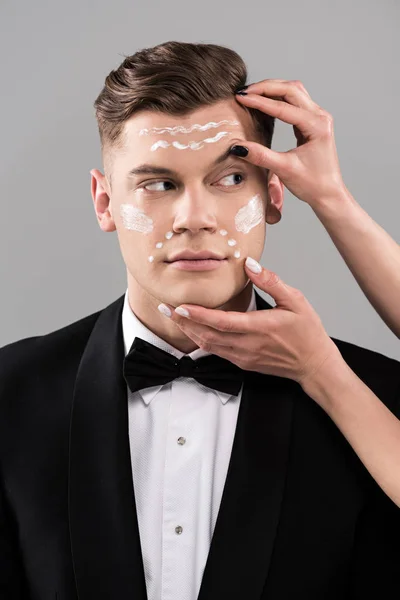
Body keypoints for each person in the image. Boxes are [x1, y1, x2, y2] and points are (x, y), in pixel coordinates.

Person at [0, 41, 398, 600]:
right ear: (104, 202)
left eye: (231, 178)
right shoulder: (8, 392)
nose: (195, 218)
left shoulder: (376, 400)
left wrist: (331, 196)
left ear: (275, 193)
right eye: (158, 184)